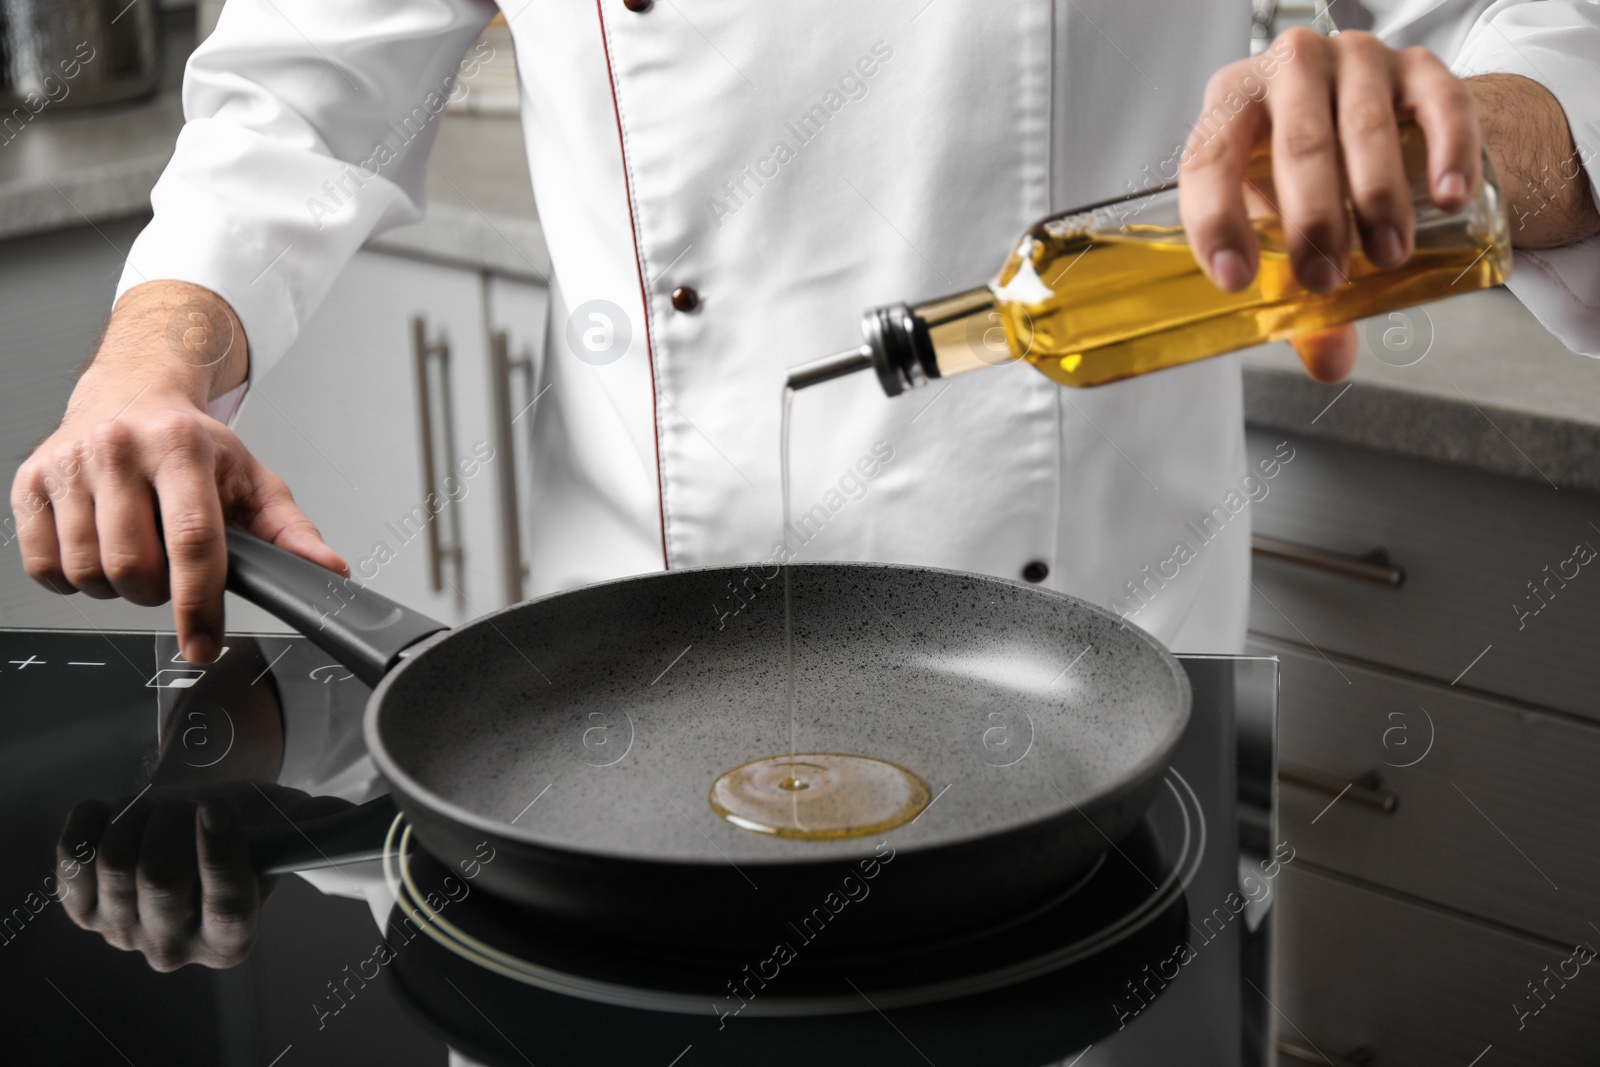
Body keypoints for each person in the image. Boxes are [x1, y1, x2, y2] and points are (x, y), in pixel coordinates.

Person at [23, 0, 1600, 985]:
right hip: (599, 730)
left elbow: (1535, 44)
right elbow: (298, 90)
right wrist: (153, 363)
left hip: (1107, 721)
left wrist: (1447, 133)